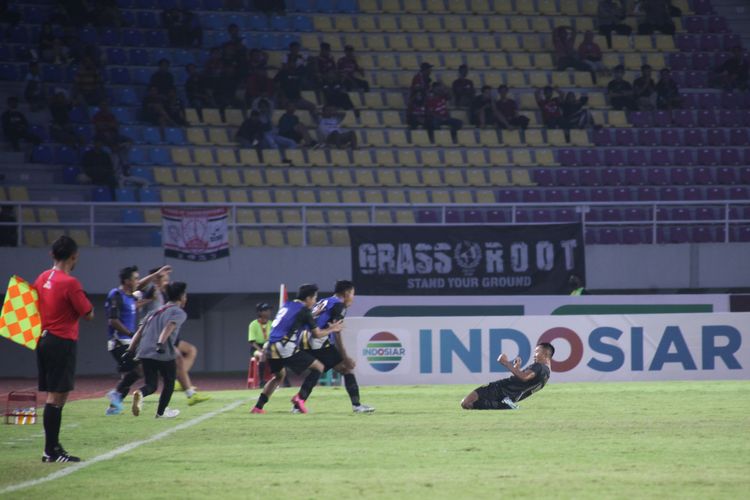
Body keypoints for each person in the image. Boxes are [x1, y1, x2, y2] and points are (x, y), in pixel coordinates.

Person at [34, 235, 94, 462]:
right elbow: (88, 314)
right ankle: (50, 450)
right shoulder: (70, 283)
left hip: (43, 339)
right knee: (57, 397)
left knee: (55, 395)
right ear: (74, 256)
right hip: (62, 340)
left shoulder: (42, 277)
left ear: (52, 255)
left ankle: (52, 448)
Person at [251, 283, 344, 414]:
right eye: (314, 298)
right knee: (319, 367)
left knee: (279, 376)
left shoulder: (287, 305)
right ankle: (299, 398)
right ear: (308, 298)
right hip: (284, 346)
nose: (315, 301)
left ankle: (258, 407)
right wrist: (332, 329)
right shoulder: (304, 311)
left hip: (270, 346)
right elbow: (317, 334)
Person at [299, 280, 374, 413]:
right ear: (346, 293)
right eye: (352, 294)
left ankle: (298, 405)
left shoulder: (325, 301)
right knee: (346, 368)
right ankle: (357, 406)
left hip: (303, 338)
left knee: (318, 369)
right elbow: (337, 331)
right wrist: (345, 357)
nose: (353, 298)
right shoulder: (339, 306)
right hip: (317, 339)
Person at [131, 282, 189, 418]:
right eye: (185, 295)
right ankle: (161, 413)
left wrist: (130, 349)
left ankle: (140, 393)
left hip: (144, 352)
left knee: (151, 385)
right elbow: (169, 326)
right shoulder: (178, 312)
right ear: (181, 296)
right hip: (161, 351)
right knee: (170, 381)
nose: (186, 297)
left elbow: (140, 331)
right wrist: (160, 343)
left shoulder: (154, 311)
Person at [460, 343, 554, 410]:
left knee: (466, 403)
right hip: (512, 396)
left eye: (537, 352)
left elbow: (524, 377)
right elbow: (523, 382)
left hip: (500, 389)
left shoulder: (539, 366)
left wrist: (505, 362)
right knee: (470, 404)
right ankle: (506, 405)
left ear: (545, 354)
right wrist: (516, 368)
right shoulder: (546, 373)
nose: (534, 355)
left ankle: (506, 406)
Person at [103, 266, 142, 415]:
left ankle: (113, 408)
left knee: (128, 376)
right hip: (119, 341)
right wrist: (131, 334)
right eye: (135, 278)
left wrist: (156, 275)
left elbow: (142, 286)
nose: (138, 281)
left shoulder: (131, 297)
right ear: (127, 281)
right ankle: (116, 393)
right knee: (140, 369)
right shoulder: (116, 294)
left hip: (127, 342)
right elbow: (113, 320)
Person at [248, 302, 272, 386]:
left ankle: (283, 380)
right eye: (266, 310)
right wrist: (261, 350)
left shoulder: (271, 323)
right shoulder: (253, 324)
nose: (269, 312)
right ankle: (262, 380)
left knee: (280, 356)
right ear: (260, 313)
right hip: (257, 348)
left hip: (268, 347)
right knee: (262, 355)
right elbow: (252, 341)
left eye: (269, 310)